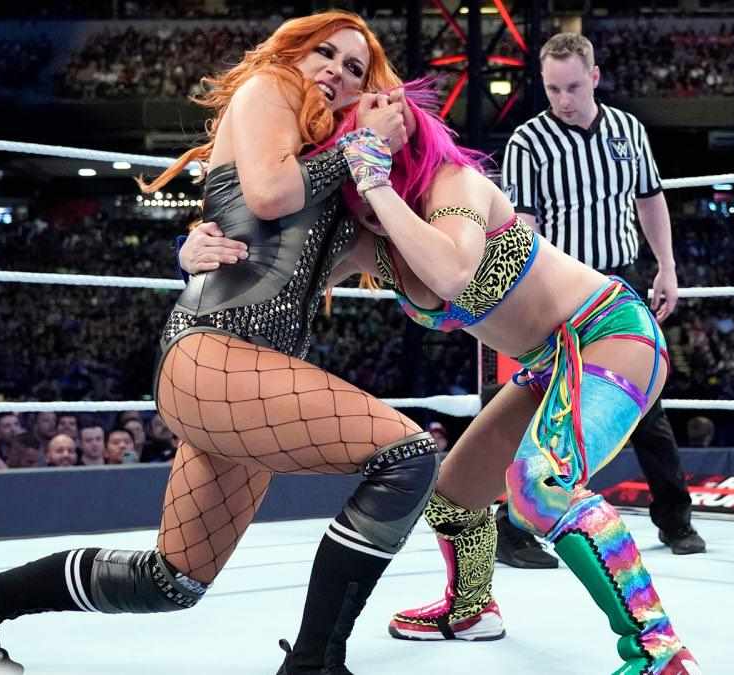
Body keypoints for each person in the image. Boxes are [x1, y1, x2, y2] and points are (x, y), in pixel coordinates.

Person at [0, 13, 435, 675]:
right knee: (408, 455)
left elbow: (419, 284)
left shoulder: (339, 181)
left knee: (171, 580)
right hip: (211, 352)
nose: (334, 69)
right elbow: (268, 195)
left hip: (253, 380)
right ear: (294, 53)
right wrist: (360, 150)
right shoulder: (271, 88)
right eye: (323, 52)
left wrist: (436, 211)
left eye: (354, 67)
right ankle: (314, 663)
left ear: (367, 91)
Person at [190, 83, 698, 674]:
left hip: (610, 334)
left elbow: (453, 272)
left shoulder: (454, 186)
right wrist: (197, 250)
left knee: (540, 484)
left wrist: (376, 183)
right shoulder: (367, 232)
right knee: (455, 496)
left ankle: (659, 649)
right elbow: (268, 276)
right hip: (547, 361)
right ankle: (470, 609)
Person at [502, 33, 704, 558]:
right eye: (552, 89)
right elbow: (524, 228)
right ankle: (513, 525)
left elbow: (650, 199)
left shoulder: (627, 130)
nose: (563, 100)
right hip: (562, 288)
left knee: (645, 400)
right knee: (551, 403)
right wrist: (531, 300)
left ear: (594, 77)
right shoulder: (528, 142)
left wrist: (667, 266)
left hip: (622, 282)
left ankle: (675, 520)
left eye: (572, 87)